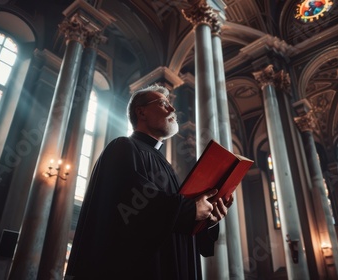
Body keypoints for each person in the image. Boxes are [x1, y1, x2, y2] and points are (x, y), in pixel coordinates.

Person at [65, 84, 233, 280]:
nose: (172, 109)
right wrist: (190, 210)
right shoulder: (124, 147)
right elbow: (132, 206)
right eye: (164, 104)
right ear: (141, 112)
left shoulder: (165, 165)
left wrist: (206, 220)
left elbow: (176, 226)